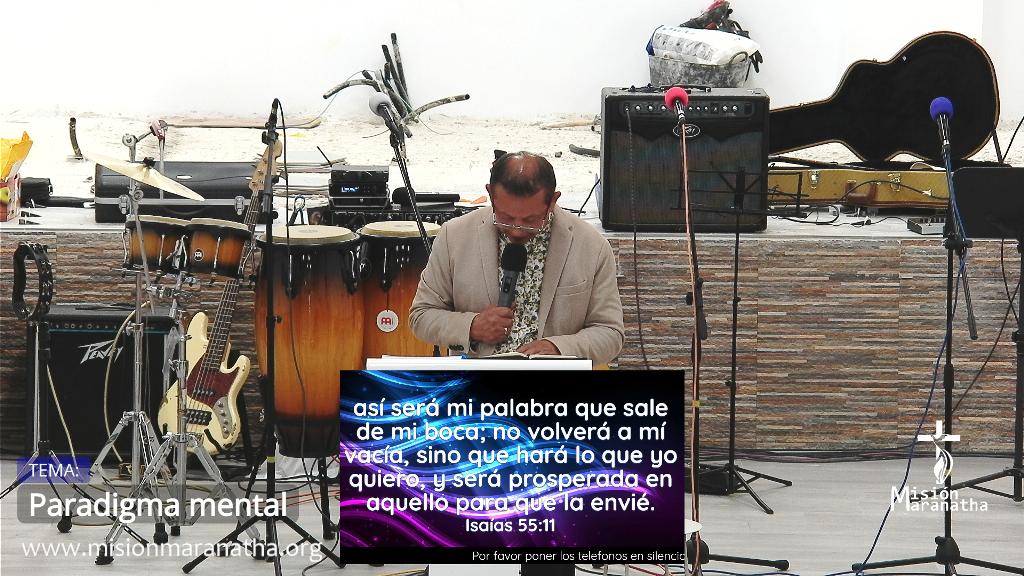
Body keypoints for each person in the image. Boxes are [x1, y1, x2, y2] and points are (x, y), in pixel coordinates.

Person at [410, 151, 624, 364]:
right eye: (506, 218)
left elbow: (610, 333)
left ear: (553, 201)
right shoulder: (454, 236)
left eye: (530, 220)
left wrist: (559, 349)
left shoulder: (592, 246)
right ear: (490, 194)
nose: (517, 230)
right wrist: (472, 327)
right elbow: (421, 316)